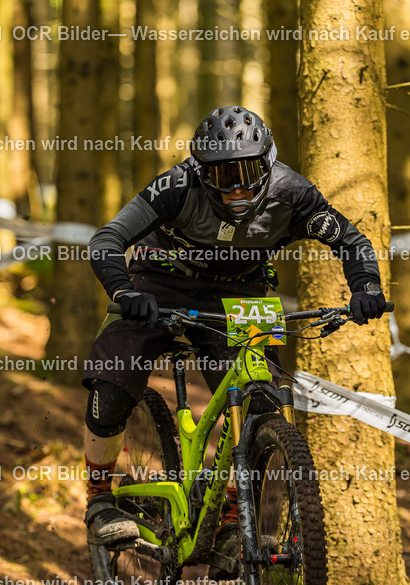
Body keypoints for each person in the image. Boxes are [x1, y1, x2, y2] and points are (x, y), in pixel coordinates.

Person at [80, 106, 387, 556]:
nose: (238, 187)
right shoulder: (176, 185)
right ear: (203, 173)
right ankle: (100, 498)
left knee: (262, 402)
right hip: (159, 280)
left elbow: (351, 241)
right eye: (224, 177)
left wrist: (366, 287)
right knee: (114, 377)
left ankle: (230, 519)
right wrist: (125, 292)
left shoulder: (293, 191)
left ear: (268, 163)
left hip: (243, 290)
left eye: (248, 172)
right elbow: (106, 240)